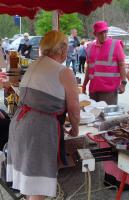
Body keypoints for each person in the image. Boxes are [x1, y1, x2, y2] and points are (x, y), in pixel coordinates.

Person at [7, 30, 80, 200]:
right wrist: (75, 128)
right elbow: (74, 108)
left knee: (28, 182)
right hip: (38, 131)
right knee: (37, 186)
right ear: (62, 50)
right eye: (67, 48)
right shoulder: (64, 72)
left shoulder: (35, 64)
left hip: (20, 124)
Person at [82, 20, 127, 105]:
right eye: (100, 33)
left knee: (107, 116)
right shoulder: (90, 47)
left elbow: (122, 65)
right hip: (93, 90)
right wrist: (84, 85)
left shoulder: (116, 45)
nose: (104, 35)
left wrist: (123, 83)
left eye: (105, 32)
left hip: (109, 91)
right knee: (94, 115)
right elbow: (89, 68)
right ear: (95, 34)